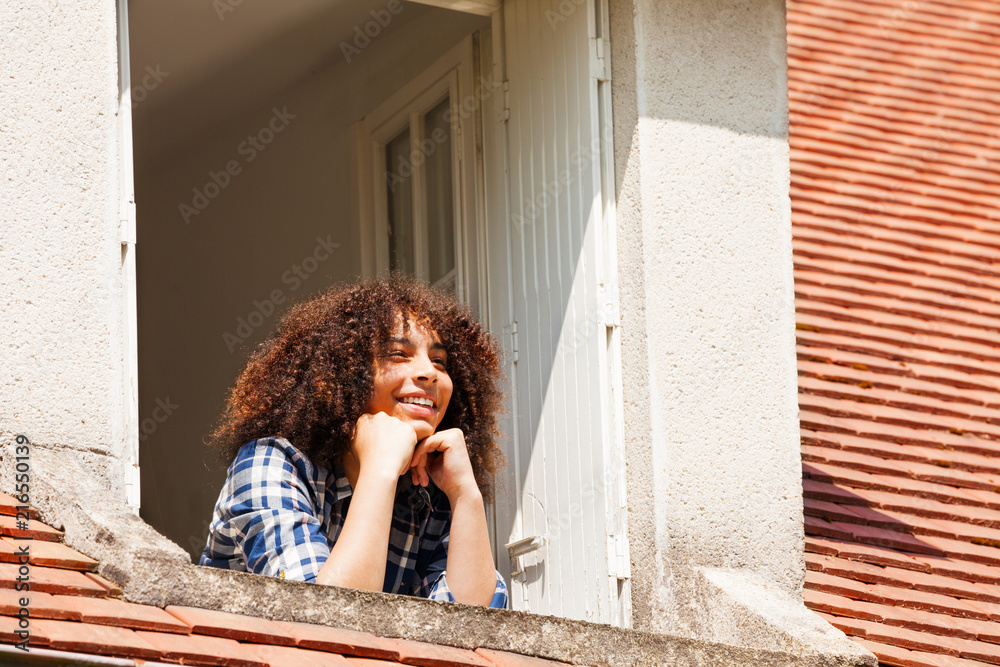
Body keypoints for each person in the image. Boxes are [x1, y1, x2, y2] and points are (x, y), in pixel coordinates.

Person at [199, 276, 508, 608]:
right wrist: (380, 469)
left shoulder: (430, 489)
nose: (429, 373)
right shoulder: (269, 463)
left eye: (439, 362)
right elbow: (327, 620)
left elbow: (476, 628)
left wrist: (464, 494)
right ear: (344, 375)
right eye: (398, 354)